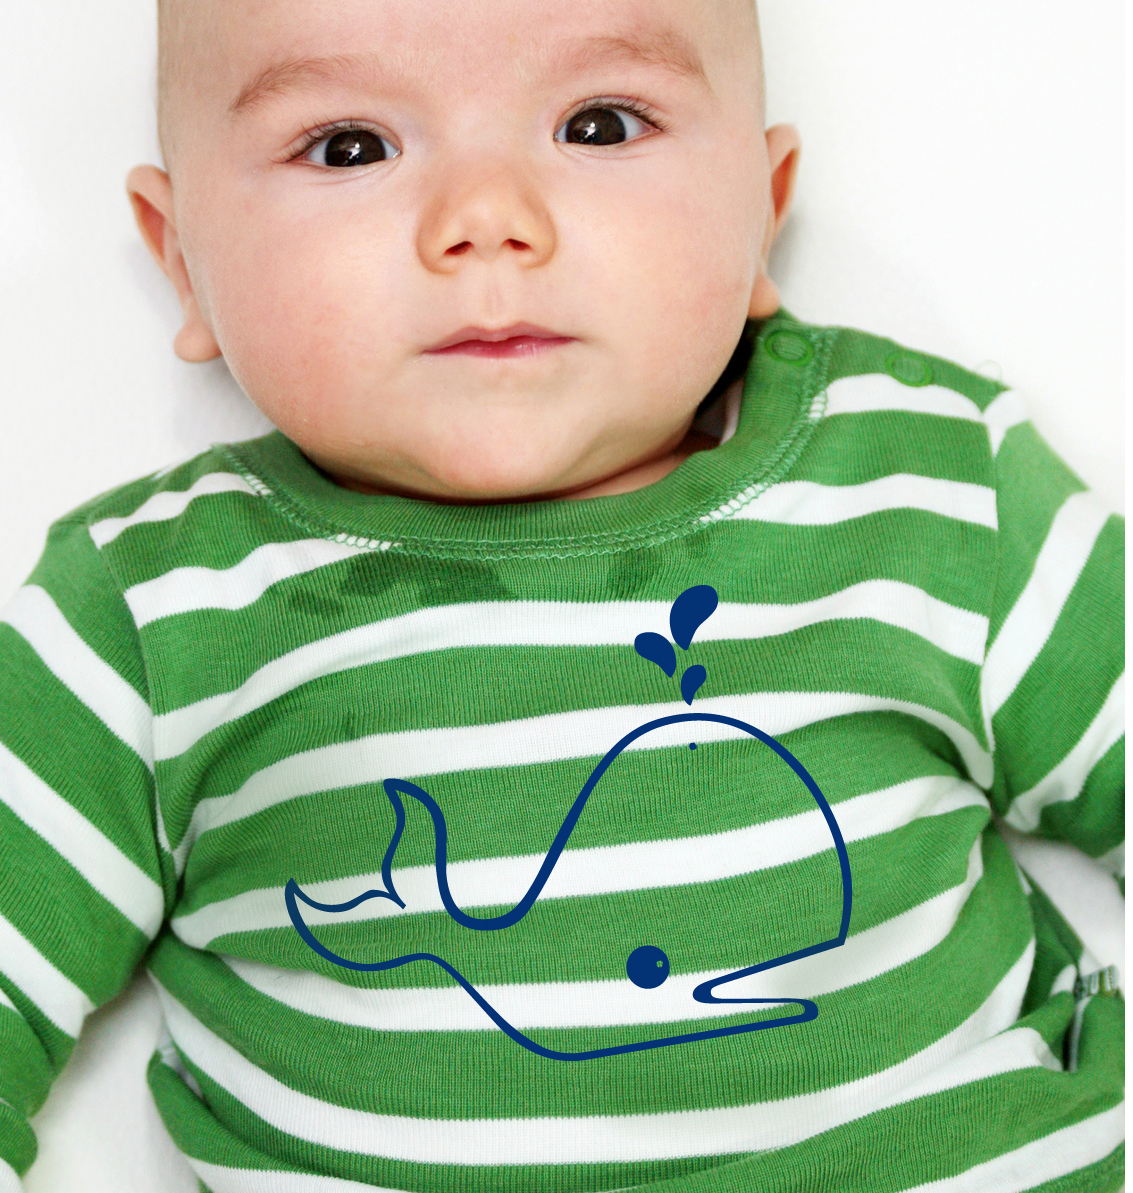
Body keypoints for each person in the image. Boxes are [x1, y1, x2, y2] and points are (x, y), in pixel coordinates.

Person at [0, 0, 1123, 1189]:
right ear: (183, 258)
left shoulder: (921, 481)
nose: (486, 219)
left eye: (599, 125)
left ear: (760, 209)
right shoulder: (147, 613)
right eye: (348, 147)